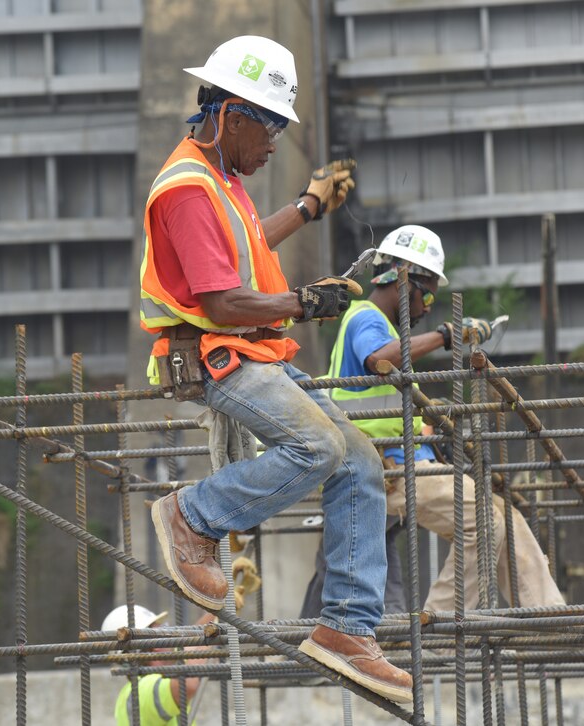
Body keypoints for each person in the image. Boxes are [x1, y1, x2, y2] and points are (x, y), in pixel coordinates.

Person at [138, 35, 412, 703]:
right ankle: (191, 516)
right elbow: (222, 300)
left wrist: (311, 205)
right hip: (214, 354)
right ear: (233, 115)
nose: (275, 145)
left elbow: (247, 239)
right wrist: (304, 302)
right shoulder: (186, 189)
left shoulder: (221, 178)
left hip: (250, 350)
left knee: (361, 461)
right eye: (271, 128)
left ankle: (346, 628)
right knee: (317, 445)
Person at [304, 224, 565, 615]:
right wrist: (449, 335)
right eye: (425, 294)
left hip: (399, 464)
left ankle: (549, 615)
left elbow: (383, 404)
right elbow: (382, 361)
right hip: (383, 469)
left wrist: (427, 425)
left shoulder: (382, 327)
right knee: (485, 523)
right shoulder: (365, 319)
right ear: (401, 279)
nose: (426, 308)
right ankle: (439, 626)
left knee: (503, 517)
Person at [103, 604, 214, 726]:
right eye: (162, 630)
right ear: (155, 645)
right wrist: (213, 632)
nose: (168, 634)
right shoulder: (141, 689)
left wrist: (218, 611)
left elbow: (192, 642)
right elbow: (186, 686)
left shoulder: (148, 681)